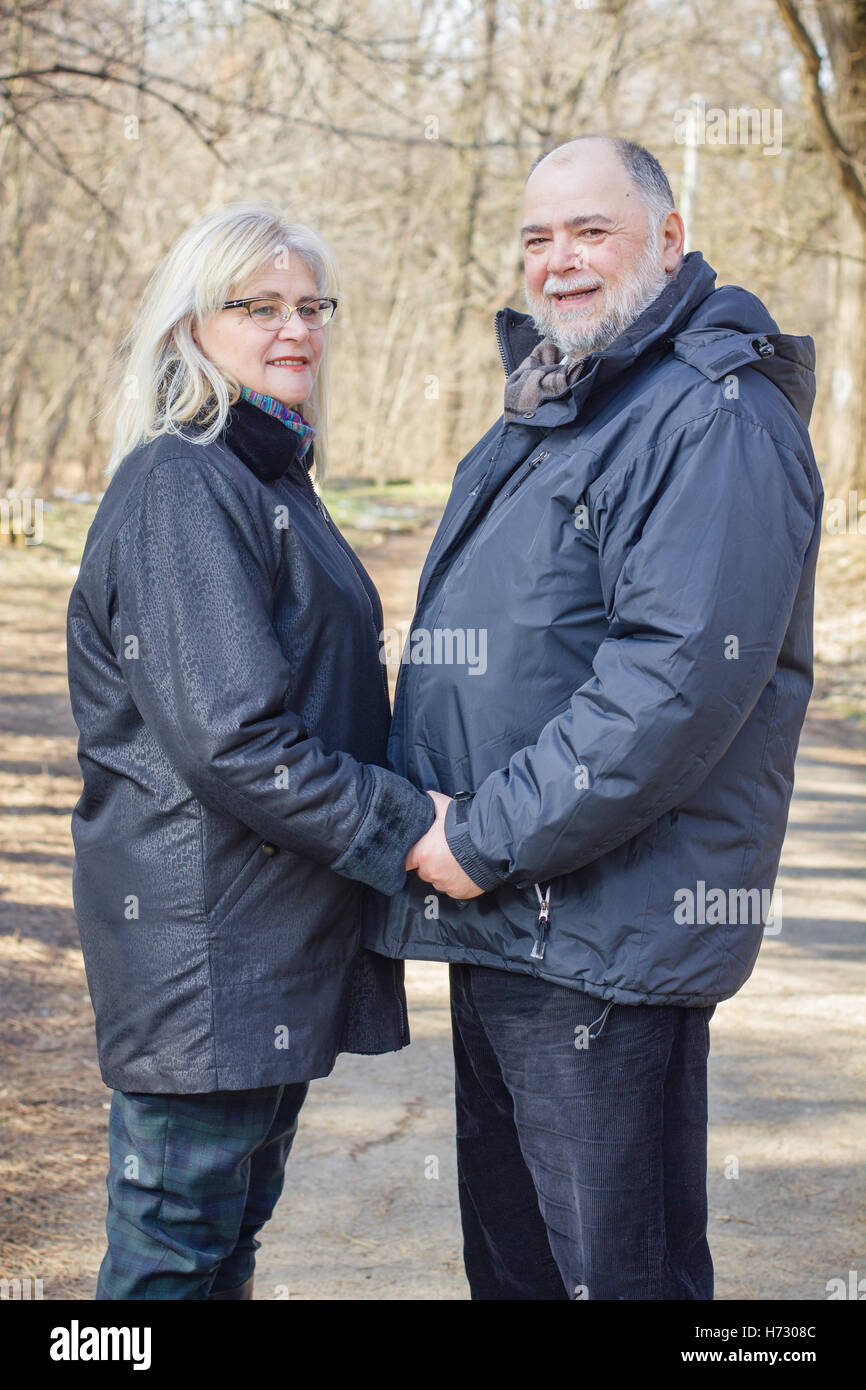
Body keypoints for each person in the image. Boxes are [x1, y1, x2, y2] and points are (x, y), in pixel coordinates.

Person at [366, 136, 822, 1300]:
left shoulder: (707, 415)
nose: (557, 262)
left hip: (601, 936)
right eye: (535, 238)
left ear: (668, 240)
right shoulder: (566, 397)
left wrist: (478, 839)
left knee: (615, 1279)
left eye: (589, 232)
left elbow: (671, 682)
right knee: (516, 1270)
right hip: (514, 918)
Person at [66, 203, 435, 1300]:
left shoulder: (268, 476)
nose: (295, 328)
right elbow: (234, 736)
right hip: (203, 952)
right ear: (191, 325)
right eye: (258, 305)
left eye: (310, 305)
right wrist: (408, 827)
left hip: (264, 936)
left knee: (222, 1244)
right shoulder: (182, 483)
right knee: (170, 1258)